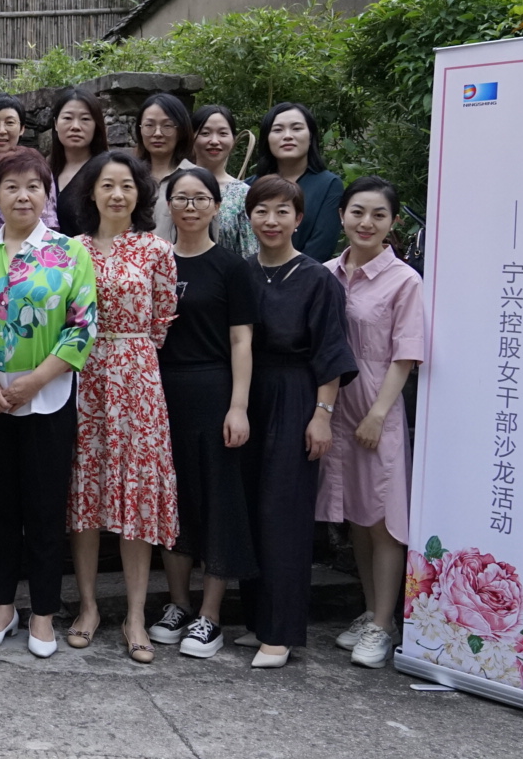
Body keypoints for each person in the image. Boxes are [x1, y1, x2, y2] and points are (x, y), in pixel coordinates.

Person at [0, 146, 98, 659]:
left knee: (45, 511)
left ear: (47, 193)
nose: (22, 196)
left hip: (47, 398)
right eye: (11, 187)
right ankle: (2, 606)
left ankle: (43, 612)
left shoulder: (70, 252)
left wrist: (33, 382)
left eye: (33, 186)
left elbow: (82, 327)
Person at [65, 150, 180, 664]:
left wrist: (128, 354)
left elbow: (162, 320)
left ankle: (135, 615)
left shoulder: (157, 250)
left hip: (137, 377)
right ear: (91, 192)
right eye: (107, 185)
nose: (117, 194)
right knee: (85, 489)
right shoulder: (71, 249)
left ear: (140, 194)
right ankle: (88, 606)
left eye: (127, 186)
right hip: (81, 372)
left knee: (137, 493)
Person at [238, 174, 358, 667]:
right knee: (251, 508)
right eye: (262, 211)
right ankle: (257, 621)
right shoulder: (242, 272)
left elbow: (331, 351)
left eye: (282, 212)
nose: (271, 221)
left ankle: (281, 632)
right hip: (246, 394)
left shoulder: (317, 278)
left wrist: (322, 415)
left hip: (296, 395)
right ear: (249, 216)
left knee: (283, 512)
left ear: (299, 219)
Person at [144, 169, 258, 660]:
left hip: (213, 390)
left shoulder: (232, 267)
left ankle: (210, 615)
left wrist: (239, 406)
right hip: (158, 392)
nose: (190, 207)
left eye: (200, 198)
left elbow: (241, 340)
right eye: (181, 198)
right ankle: (178, 603)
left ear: (216, 206)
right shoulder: (154, 260)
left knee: (216, 500)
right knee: (172, 500)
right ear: (168, 205)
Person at [318, 176, 423, 669]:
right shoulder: (326, 273)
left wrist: (379, 414)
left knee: (384, 519)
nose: (366, 222)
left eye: (379, 214)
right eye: (358, 212)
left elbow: (406, 354)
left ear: (393, 222)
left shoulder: (404, 280)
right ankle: (369, 611)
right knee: (356, 515)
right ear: (342, 215)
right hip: (334, 407)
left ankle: (385, 623)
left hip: (376, 405)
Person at [249, 103, 343, 262]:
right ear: (267, 138)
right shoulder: (249, 186)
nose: (287, 136)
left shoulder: (329, 185)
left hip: (307, 274)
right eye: (278, 130)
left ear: (311, 136)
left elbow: (322, 245)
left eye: (297, 128)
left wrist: (290, 273)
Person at [0, 94, 56, 233]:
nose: (2, 130)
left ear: (22, 128)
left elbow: (49, 227)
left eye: (10, 123)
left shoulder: (38, 173)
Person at [190, 106, 256, 257]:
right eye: (205, 133)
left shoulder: (243, 194)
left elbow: (250, 253)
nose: (214, 141)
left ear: (233, 139)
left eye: (223, 133)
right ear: (191, 137)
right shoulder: (174, 185)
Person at [138, 94, 200, 242]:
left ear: (181, 130)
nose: (157, 133)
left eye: (167, 126)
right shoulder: (129, 178)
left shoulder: (197, 179)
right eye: (149, 125)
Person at [46, 88, 106, 234]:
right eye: (67, 118)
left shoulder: (106, 171)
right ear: (55, 123)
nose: (75, 127)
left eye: (85, 119)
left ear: (96, 125)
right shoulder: (44, 169)